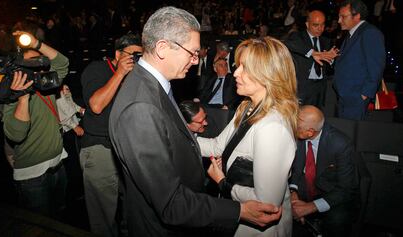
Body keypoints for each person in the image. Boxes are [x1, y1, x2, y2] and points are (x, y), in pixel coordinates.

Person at [109, 6, 282, 237]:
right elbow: (171, 204)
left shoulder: (154, 86)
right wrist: (238, 211)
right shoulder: (140, 108)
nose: (195, 60)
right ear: (162, 48)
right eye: (192, 52)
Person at [198, 37, 299, 236]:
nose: (235, 73)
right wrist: (175, 136)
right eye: (238, 66)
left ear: (267, 74)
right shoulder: (247, 107)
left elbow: (266, 204)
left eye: (245, 68)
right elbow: (218, 146)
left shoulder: (272, 127)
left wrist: (222, 183)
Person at [79, 33, 142, 237]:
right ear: (118, 54)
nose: (136, 60)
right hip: (100, 150)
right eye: (132, 55)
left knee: (132, 211)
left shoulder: (136, 77)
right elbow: (96, 105)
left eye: (140, 55)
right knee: (102, 218)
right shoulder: (97, 69)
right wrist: (120, 73)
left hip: (127, 151)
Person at [2, 30, 69, 218]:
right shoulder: (12, 94)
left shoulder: (47, 83)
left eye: (40, 63)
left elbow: (62, 63)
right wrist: (22, 97)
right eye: (31, 63)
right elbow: (16, 134)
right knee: (41, 226)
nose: (39, 67)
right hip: (33, 178)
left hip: (58, 165)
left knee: (61, 217)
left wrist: (36, 44)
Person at [289, 105, 358, 237]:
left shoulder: (341, 144)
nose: (292, 129)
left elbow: (346, 188)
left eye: (296, 127)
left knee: (337, 221)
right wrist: (293, 191)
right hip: (304, 184)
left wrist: (309, 207)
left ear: (310, 132)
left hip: (331, 191)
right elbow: (296, 168)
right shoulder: (299, 135)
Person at [334, 0, 386, 120]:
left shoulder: (370, 33)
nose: (339, 20)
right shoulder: (353, 33)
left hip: (356, 97)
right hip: (346, 96)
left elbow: (376, 67)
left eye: (343, 16)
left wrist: (364, 95)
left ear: (357, 16)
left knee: (352, 133)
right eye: (339, 16)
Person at [285, 10, 339, 109]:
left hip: (319, 89)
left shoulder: (326, 41)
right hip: (302, 87)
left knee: (316, 119)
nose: (320, 28)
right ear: (307, 24)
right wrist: (312, 52)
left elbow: (330, 69)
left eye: (322, 25)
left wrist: (331, 60)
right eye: (316, 25)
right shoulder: (298, 37)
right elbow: (289, 43)